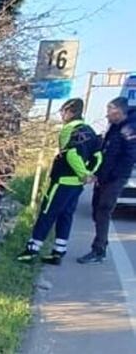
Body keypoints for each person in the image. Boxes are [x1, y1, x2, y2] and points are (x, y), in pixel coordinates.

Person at [17, 98, 102, 265]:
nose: (61, 115)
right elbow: (98, 156)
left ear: (69, 112)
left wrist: (83, 173)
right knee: (66, 216)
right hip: (77, 185)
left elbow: (71, 154)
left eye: (62, 112)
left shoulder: (69, 130)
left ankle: (32, 250)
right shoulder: (91, 131)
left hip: (62, 181)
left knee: (47, 213)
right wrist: (90, 173)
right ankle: (59, 252)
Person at [77, 97, 136, 264]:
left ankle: (99, 249)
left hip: (115, 178)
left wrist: (111, 177)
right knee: (97, 210)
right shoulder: (115, 127)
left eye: (110, 110)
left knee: (103, 210)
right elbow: (106, 151)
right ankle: (100, 245)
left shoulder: (129, 128)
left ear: (118, 111)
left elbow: (129, 157)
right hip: (106, 176)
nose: (107, 114)